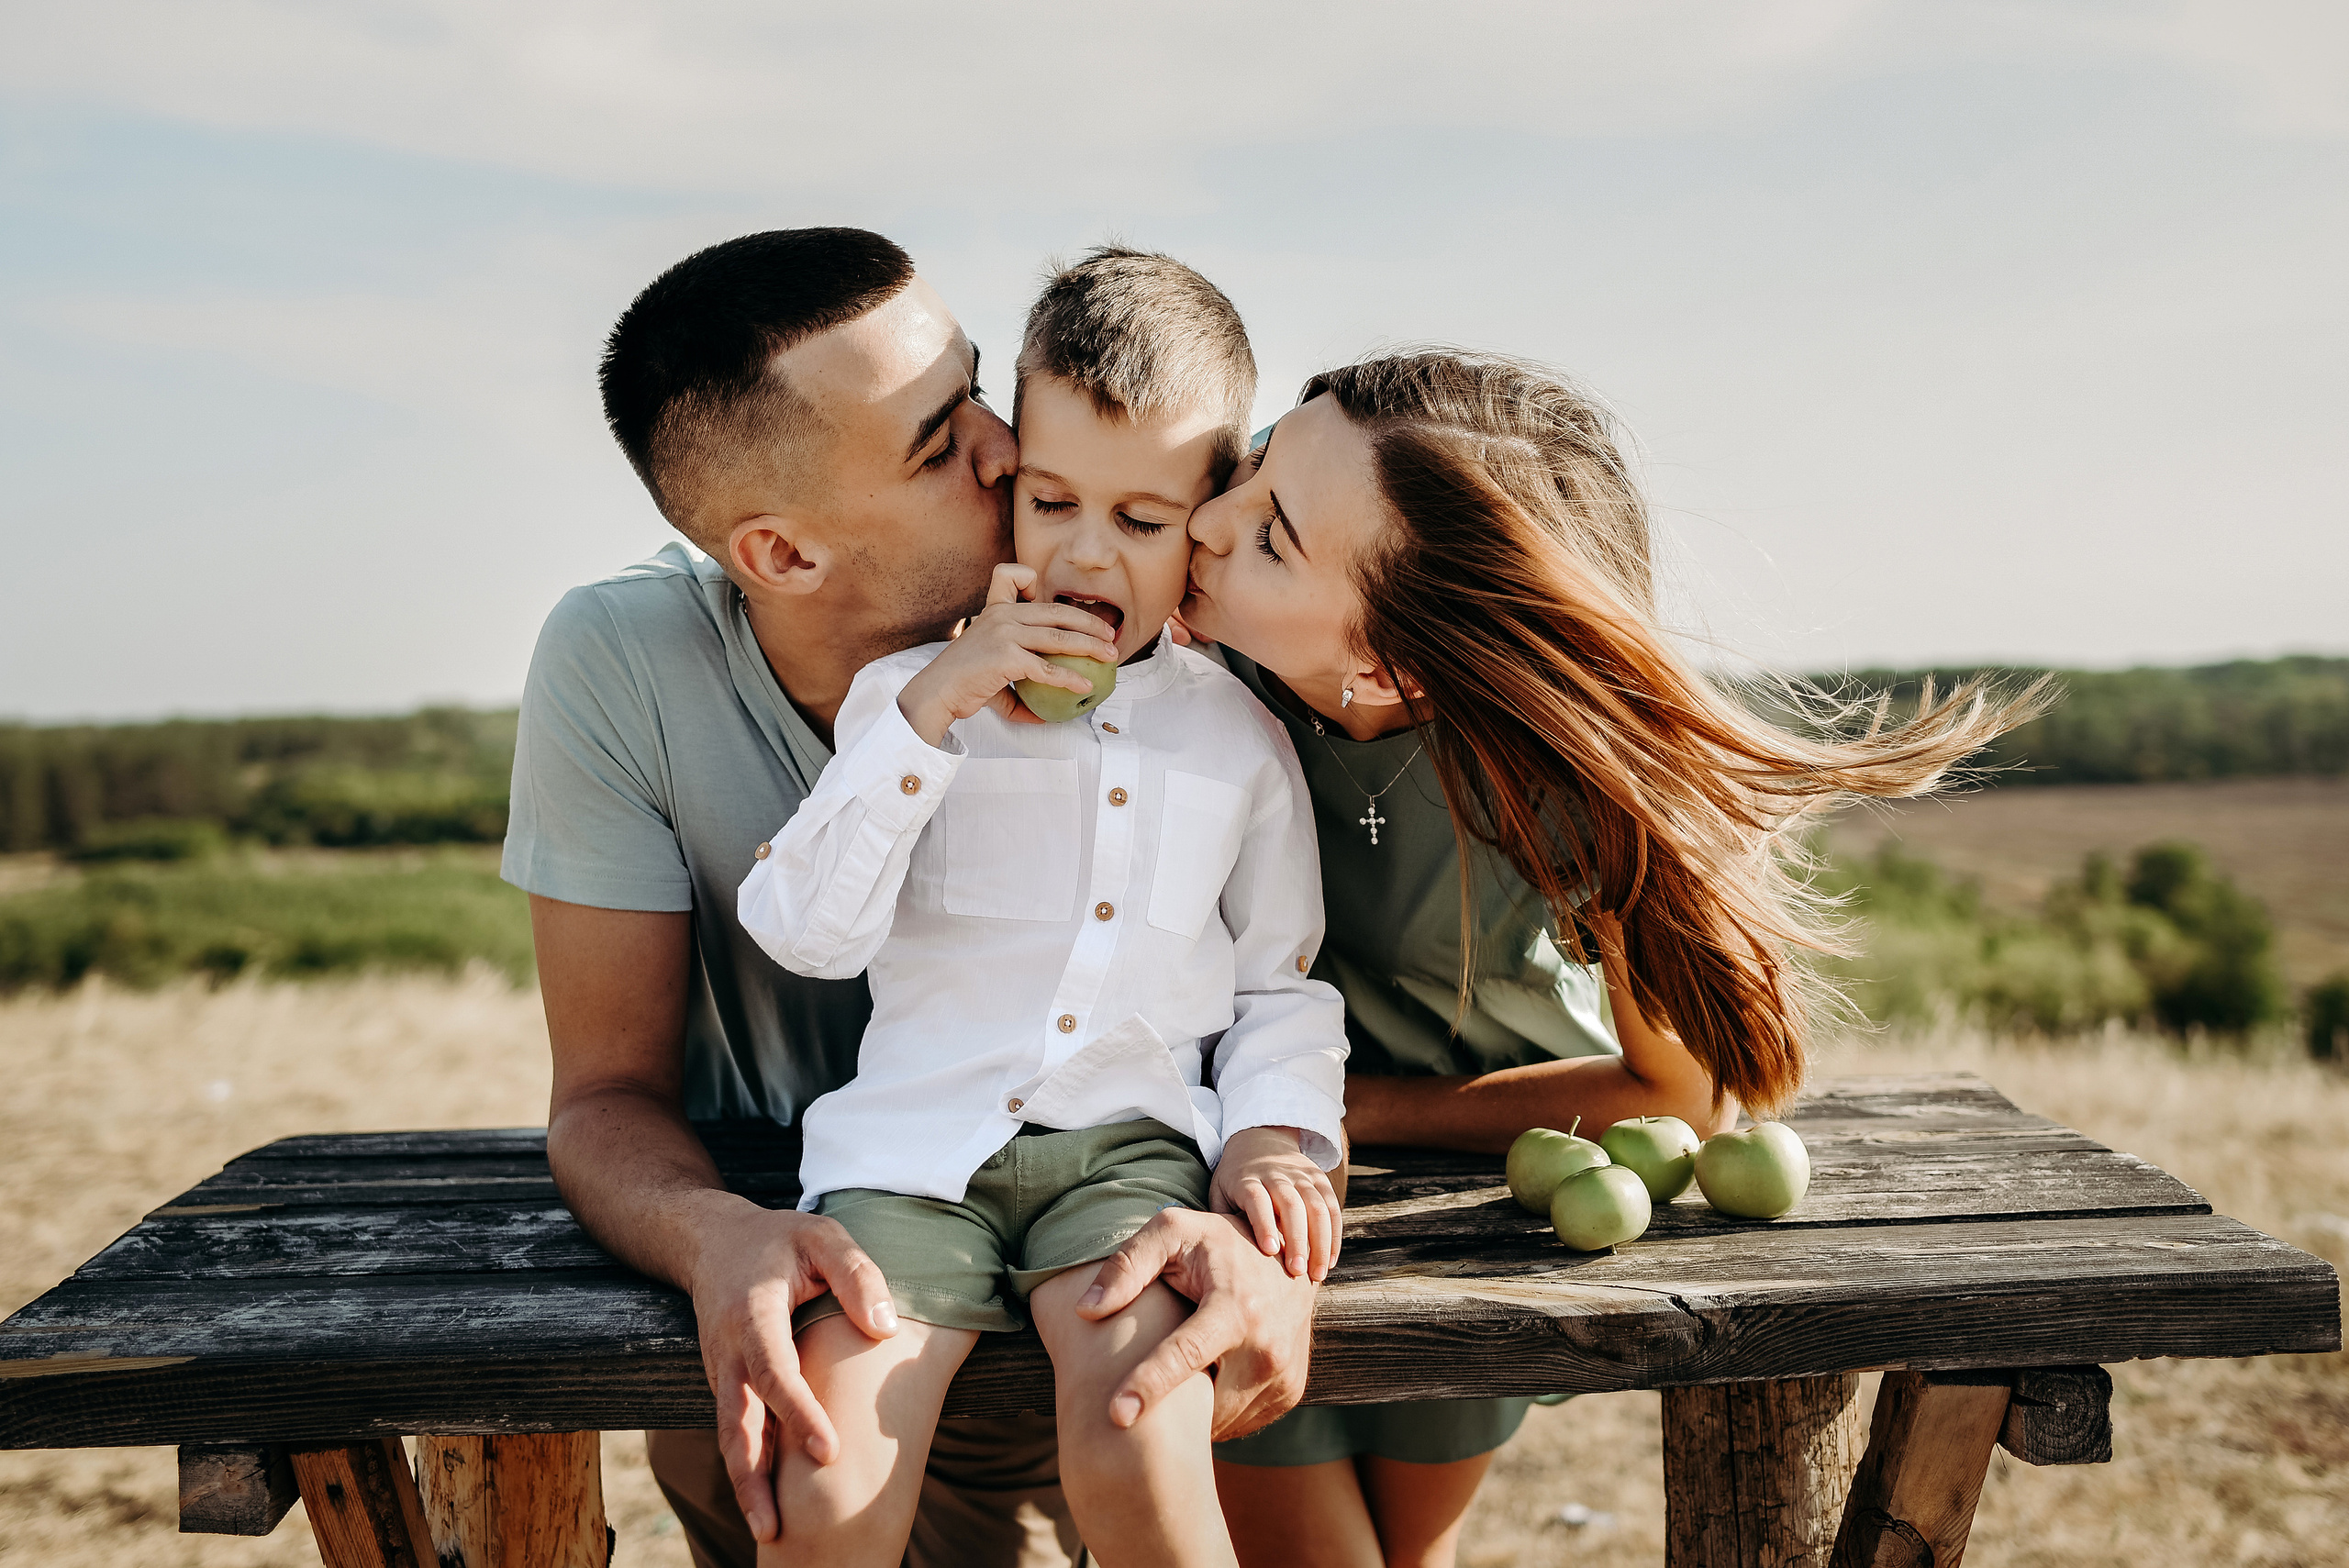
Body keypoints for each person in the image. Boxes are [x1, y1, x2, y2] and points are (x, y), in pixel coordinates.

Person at [501, 228, 1319, 1568]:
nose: (1008, 447)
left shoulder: (1203, 659)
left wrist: (1278, 1174)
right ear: (781, 551)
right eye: (944, 444)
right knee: (796, 1482)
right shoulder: (629, 666)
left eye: (982, 388)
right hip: (864, 1235)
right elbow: (602, 1095)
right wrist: (719, 1241)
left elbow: (1277, 981)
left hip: (1110, 1216)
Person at [1176, 350, 2043, 1568]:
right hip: (1241, 1202)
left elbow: (1679, 1092)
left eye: (1270, 536)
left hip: (1470, 1219)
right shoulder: (1168, 691)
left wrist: (1358, 1106)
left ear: (1389, 663)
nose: (1204, 516)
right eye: (1258, 457)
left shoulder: (1562, 779)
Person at [734, 247, 1348, 1567]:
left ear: (1207, 513)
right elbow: (808, 931)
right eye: (1053, 500)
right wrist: (930, 719)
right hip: (909, 1163)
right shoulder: (905, 697)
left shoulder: (1239, 737)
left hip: (1131, 1159)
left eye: (1139, 521)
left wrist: (1276, 1137)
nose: (1083, 553)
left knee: (1138, 1427)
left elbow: (1277, 984)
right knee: (826, 1485)